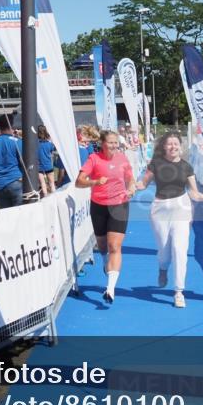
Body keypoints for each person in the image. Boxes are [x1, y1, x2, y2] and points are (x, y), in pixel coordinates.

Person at [135, 132, 203, 308]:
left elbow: (194, 193)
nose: (173, 147)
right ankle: (163, 268)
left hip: (181, 208)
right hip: (160, 210)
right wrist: (130, 186)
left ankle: (178, 291)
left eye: (176, 144)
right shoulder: (156, 164)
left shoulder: (186, 166)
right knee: (164, 251)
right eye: (169, 144)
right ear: (164, 147)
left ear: (181, 147)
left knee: (179, 249)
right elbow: (142, 184)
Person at [75, 130, 136, 304]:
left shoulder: (122, 159)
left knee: (114, 246)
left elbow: (130, 178)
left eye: (116, 143)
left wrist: (131, 188)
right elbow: (79, 182)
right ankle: (104, 260)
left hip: (119, 205)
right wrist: (94, 182)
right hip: (99, 206)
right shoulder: (94, 159)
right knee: (102, 245)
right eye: (110, 142)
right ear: (102, 143)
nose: (114, 146)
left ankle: (110, 289)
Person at [0, 114, 25, 209]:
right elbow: (25, 164)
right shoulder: (17, 142)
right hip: (16, 182)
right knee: (20, 217)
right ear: (12, 125)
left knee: (5, 219)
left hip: (0, 185)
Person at [37, 125, 56, 197]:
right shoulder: (49, 144)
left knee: (42, 184)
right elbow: (52, 151)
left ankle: (45, 198)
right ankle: (54, 198)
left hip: (39, 167)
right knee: (52, 184)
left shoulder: (35, 144)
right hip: (48, 165)